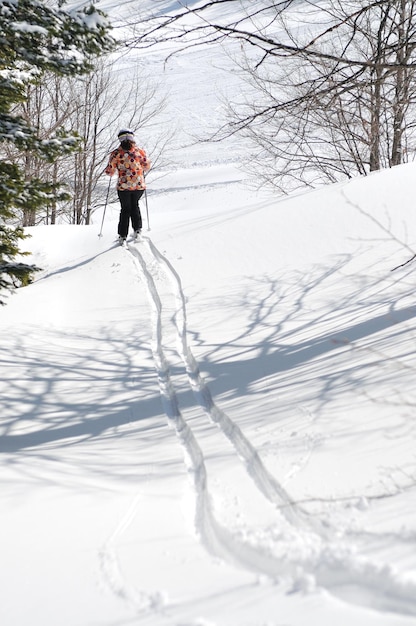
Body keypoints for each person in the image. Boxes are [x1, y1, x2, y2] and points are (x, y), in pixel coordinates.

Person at [105, 129, 151, 244]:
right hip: (139, 185)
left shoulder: (116, 153)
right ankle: (137, 231)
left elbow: (110, 170)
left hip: (123, 186)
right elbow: (147, 165)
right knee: (135, 206)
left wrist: (112, 171)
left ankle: (122, 235)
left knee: (125, 209)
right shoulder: (139, 151)